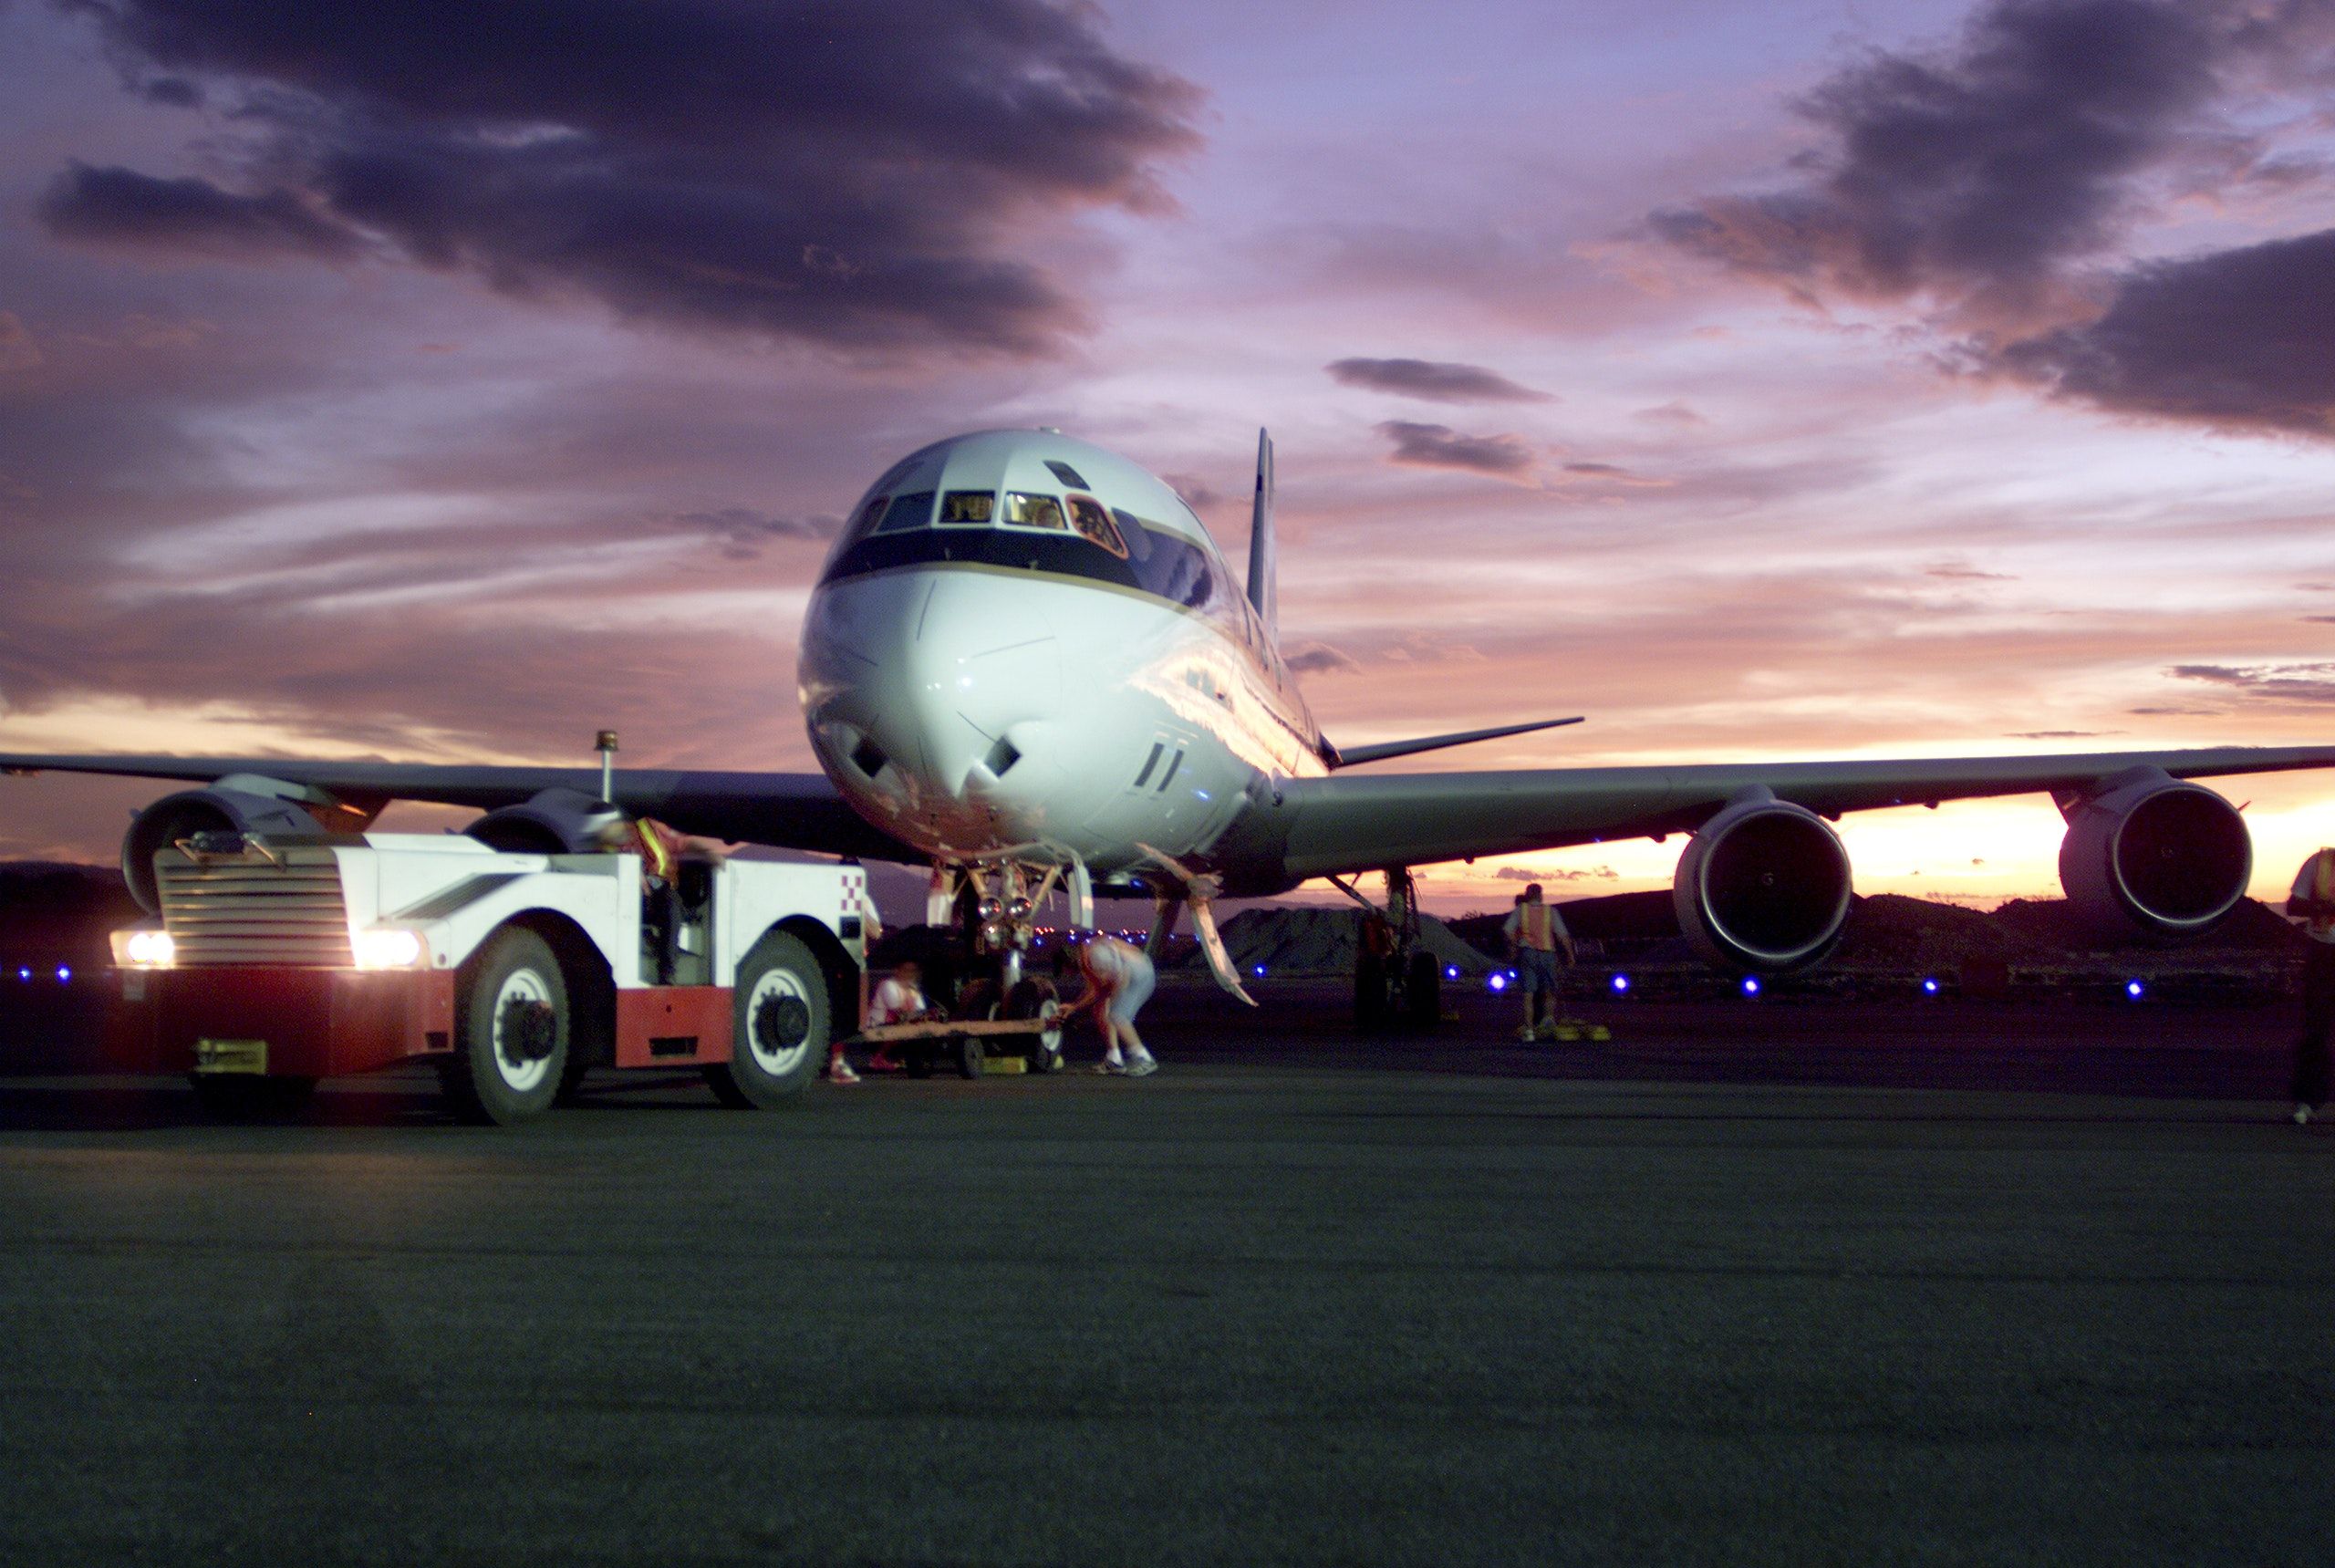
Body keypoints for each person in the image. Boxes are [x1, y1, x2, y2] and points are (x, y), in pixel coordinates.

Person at [591, 811, 728, 986]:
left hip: (659, 895)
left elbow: (683, 843)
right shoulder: (609, 841)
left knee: (672, 906)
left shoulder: (651, 829)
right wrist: (633, 873)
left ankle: (666, 973)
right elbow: (601, 846)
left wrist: (708, 854)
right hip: (627, 898)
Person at [2285, 847, 2335, 1125]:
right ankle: (2307, 1100)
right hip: (2323, 953)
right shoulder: (2319, 864)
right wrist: (2323, 908)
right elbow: (2293, 906)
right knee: (2316, 1031)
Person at [1064, 933, 1157, 1075]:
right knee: (1101, 1008)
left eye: (1067, 971)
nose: (1069, 976)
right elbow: (1096, 990)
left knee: (1117, 1015)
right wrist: (1075, 1006)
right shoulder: (1089, 951)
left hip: (1138, 974)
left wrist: (1075, 1008)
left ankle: (1144, 1058)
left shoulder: (1095, 955)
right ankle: (1114, 1059)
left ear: (1070, 962)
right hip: (1134, 971)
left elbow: (1116, 979)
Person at [1501, 883, 1576, 1041]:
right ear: (1541, 894)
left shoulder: (1520, 910)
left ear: (1527, 895)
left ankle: (1529, 1030)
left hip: (1528, 953)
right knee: (1549, 990)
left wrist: (1517, 943)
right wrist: (1570, 955)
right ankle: (1548, 1020)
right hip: (1548, 954)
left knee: (1528, 994)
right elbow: (1562, 935)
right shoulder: (1550, 911)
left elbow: (1508, 930)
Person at [862, 958, 943, 1077]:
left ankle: (918, 1062)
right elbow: (899, 1012)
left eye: (913, 971)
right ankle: (878, 1058)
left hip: (899, 1024)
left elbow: (919, 1011)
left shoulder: (913, 989)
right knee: (906, 1024)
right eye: (906, 971)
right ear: (897, 972)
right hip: (878, 1026)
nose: (910, 974)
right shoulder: (888, 985)